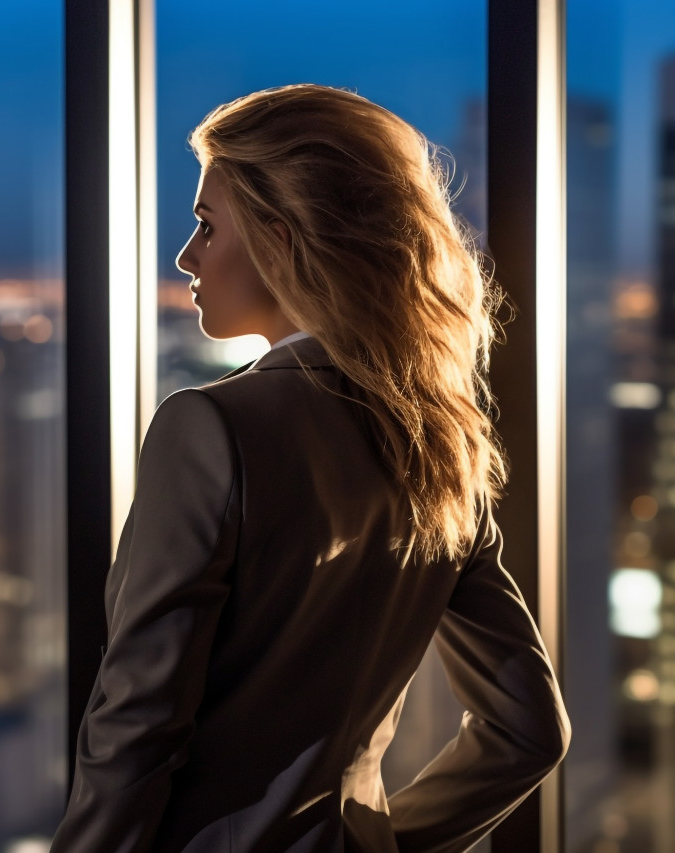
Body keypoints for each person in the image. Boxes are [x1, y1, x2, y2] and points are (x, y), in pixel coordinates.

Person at [50, 83, 570, 853]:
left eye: (205, 224)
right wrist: (382, 840)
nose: (186, 255)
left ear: (280, 238)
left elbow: (134, 729)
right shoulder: (440, 443)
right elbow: (530, 730)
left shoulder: (210, 428)